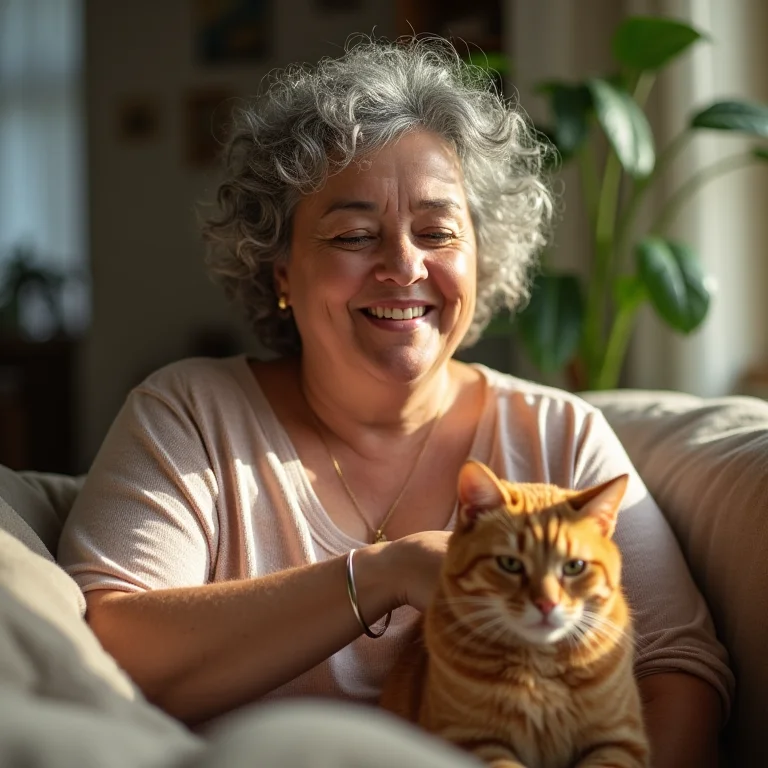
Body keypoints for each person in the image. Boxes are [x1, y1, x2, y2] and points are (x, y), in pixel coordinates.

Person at [58, 36, 732, 766]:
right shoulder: (188, 414)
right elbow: (104, 651)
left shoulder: (560, 434)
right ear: (281, 270)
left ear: (483, 256)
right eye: (354, 234)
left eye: (439, 231)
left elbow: (677, 671)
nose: (404, 265)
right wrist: (382, 574)